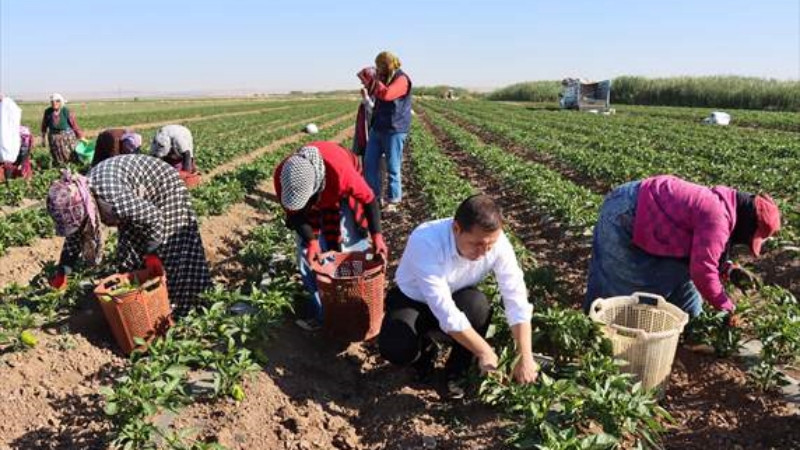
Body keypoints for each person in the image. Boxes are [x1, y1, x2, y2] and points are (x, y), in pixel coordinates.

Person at [379, 195, 537, 396]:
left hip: (459, 297)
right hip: (415, 301)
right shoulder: (426, 240)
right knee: (396, 345)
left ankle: (458, 369)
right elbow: (444, 310)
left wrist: (524, 355)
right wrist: (485, 351)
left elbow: (516, 297)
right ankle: (425, 353)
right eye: (476, 244)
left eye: (490, 245)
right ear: (456, 229)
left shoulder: (497, 244)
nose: (484, 251)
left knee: (477, 306)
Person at [584, 175, 781, 323]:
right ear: (747, 224)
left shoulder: (725, 209)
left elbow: (706, 254)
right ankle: (598, 334)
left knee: (681, 281)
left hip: (646, 216)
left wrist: (729, 270)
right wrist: (727, 308)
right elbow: (702, 271)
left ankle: (690, 327)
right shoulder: (717, 217)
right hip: (625, 213)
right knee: (621, 288)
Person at [46, 154, 213, 317]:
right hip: (138, 195)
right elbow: (75, 235)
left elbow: (154, 218)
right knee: (129, 254)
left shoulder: (111, 198)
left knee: (170, 250)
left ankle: (184, 303)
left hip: (164, 189)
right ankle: (139, 304)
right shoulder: (82, 198)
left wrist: (152, 254)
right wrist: (63, 272)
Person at [274, 141, 388, 331]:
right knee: (307, 259)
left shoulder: (342, 174)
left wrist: (377, 236)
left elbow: (369, 200)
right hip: (311, 195)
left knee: (352, 252)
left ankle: (360, 312)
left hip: (339, 187)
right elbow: (295, 214)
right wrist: (311, 242)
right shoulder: (283, 177)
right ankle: (325, 314)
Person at [362, 51, 413, 213]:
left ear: (387, 65)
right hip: (378, 127)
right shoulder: (384, 79)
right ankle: (374, 197)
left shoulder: (402, 79)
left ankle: (394, 200)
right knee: (369, 163)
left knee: (393, 166)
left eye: (380, 66)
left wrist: (374, 82)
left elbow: (387, 94)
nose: (378, 69)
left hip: (394, 129)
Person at [40, 93, 84, 165]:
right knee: (57, 156)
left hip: (67, 137)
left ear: (61, 102)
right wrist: (43, 138)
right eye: (52, 102)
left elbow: (74, 124)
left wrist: (81, 136)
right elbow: (44, 125)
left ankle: (72, 168)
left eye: (57, 101)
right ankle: (61, 168)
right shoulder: (48, 112)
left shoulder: (65, 110)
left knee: (70, 154)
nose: (54, 103)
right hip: (54, 138)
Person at [0, 96, 32, 180]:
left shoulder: (23, 132)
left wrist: (21, 162)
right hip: (9, 159)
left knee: (17, 172)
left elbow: (25, 150)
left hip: (16, 159)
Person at [353, 67, 377, 157]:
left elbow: (375, 112)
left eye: (364, 80)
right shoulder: (370, 92)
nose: (362, 83)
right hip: (366, 133)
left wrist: (366, 98)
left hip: (373, 134)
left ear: (371, 79)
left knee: (372, 161)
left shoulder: (379, 93)